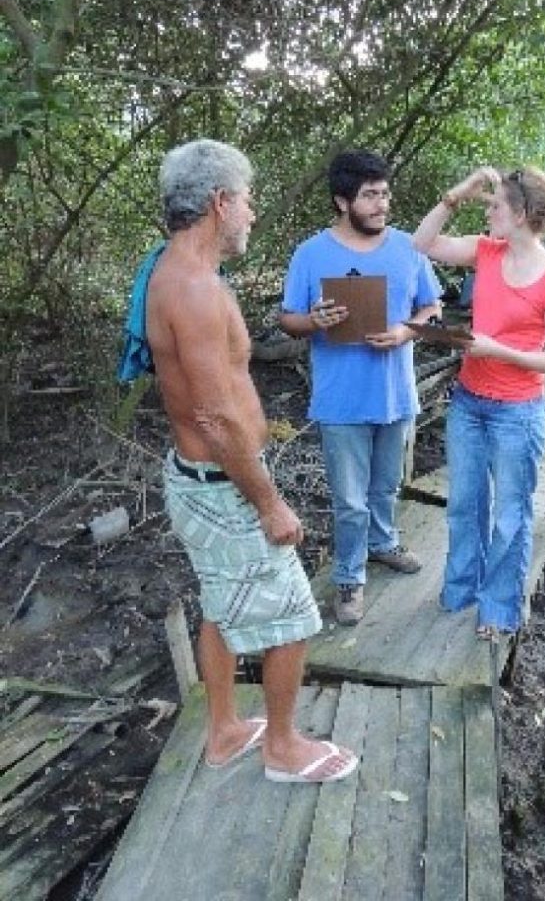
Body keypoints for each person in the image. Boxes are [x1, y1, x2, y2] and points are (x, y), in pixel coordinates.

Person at [140, 139, 356, 783]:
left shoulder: (175, 272)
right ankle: (284, 749)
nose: (253, 214)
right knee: (292, 617)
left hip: (196, 477)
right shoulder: (195, 290)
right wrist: (269, 503)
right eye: (248, 201)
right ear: (220, 202)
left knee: (221, 602)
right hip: (221, 484)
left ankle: (226, 729)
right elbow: (217, 416)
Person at [412, 165, 545, 638]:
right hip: (469, 403)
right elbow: (421, 244)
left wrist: (495, 350)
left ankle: (500, 608)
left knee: (510, 515)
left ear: (522, 214)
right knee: (464, 505)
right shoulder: (486, 251)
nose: (488, 209)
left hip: (517, 413)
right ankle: (462, 590)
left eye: (495, 204)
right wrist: (455, 194)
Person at [279, 149, 442, 626]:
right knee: (349, 500)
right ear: (341, 201)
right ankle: (349, 578)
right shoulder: (311, 254)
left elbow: (431, 309)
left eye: (385, 194)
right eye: (370, 195)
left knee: (387, 485)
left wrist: (407, 332)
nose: (381, 204)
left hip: (396, 394)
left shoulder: (409, 247)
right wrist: (313, 320)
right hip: (340, 399)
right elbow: (288, 320)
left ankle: (383, 543)